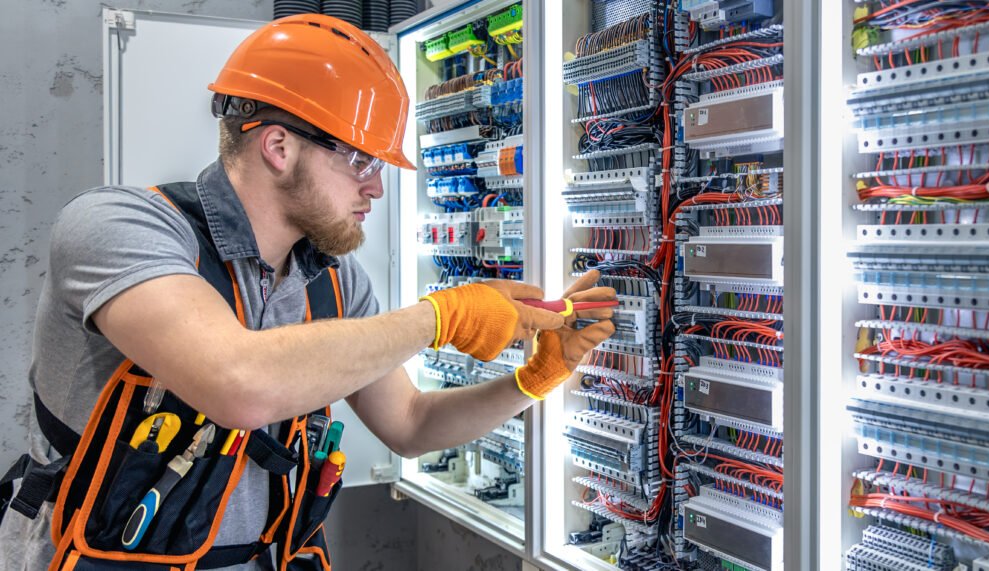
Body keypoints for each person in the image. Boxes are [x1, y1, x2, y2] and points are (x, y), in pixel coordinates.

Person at [0, 13, 615, 571]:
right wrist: (439, 318)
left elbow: (410, 422)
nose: (375, 189)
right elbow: (237, 383)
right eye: (361, 162)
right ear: (278, 146)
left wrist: (532, 380)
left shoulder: (335, 282)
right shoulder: (118, 228)